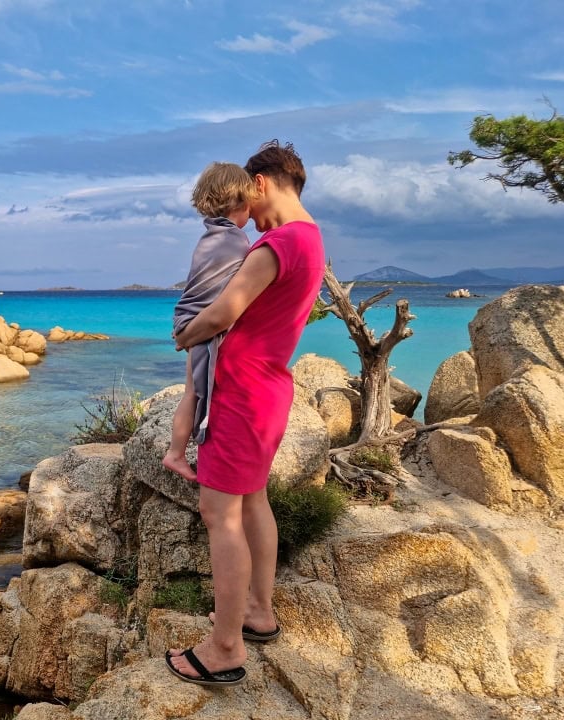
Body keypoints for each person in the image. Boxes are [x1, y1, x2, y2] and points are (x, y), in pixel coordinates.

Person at [165, 141, 325, 686]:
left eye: (245, 195)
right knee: (252, 502)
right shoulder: (311, 239)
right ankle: (258, 611)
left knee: (220, 516)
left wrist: (184, 334)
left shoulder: (275, 244)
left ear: (261, 183)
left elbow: (223, 313)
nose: (242, 210)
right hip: (269, 388)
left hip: (239, 394)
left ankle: (225, 648)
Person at [161, 162, 255, 482]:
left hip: (188, 319)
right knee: (201, 392)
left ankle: (176, 452)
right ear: (240, 202)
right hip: (199, 325)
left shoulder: (211, 236)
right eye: (250, 206)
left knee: (190, 392)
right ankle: (177, 452)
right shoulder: (235, 240)